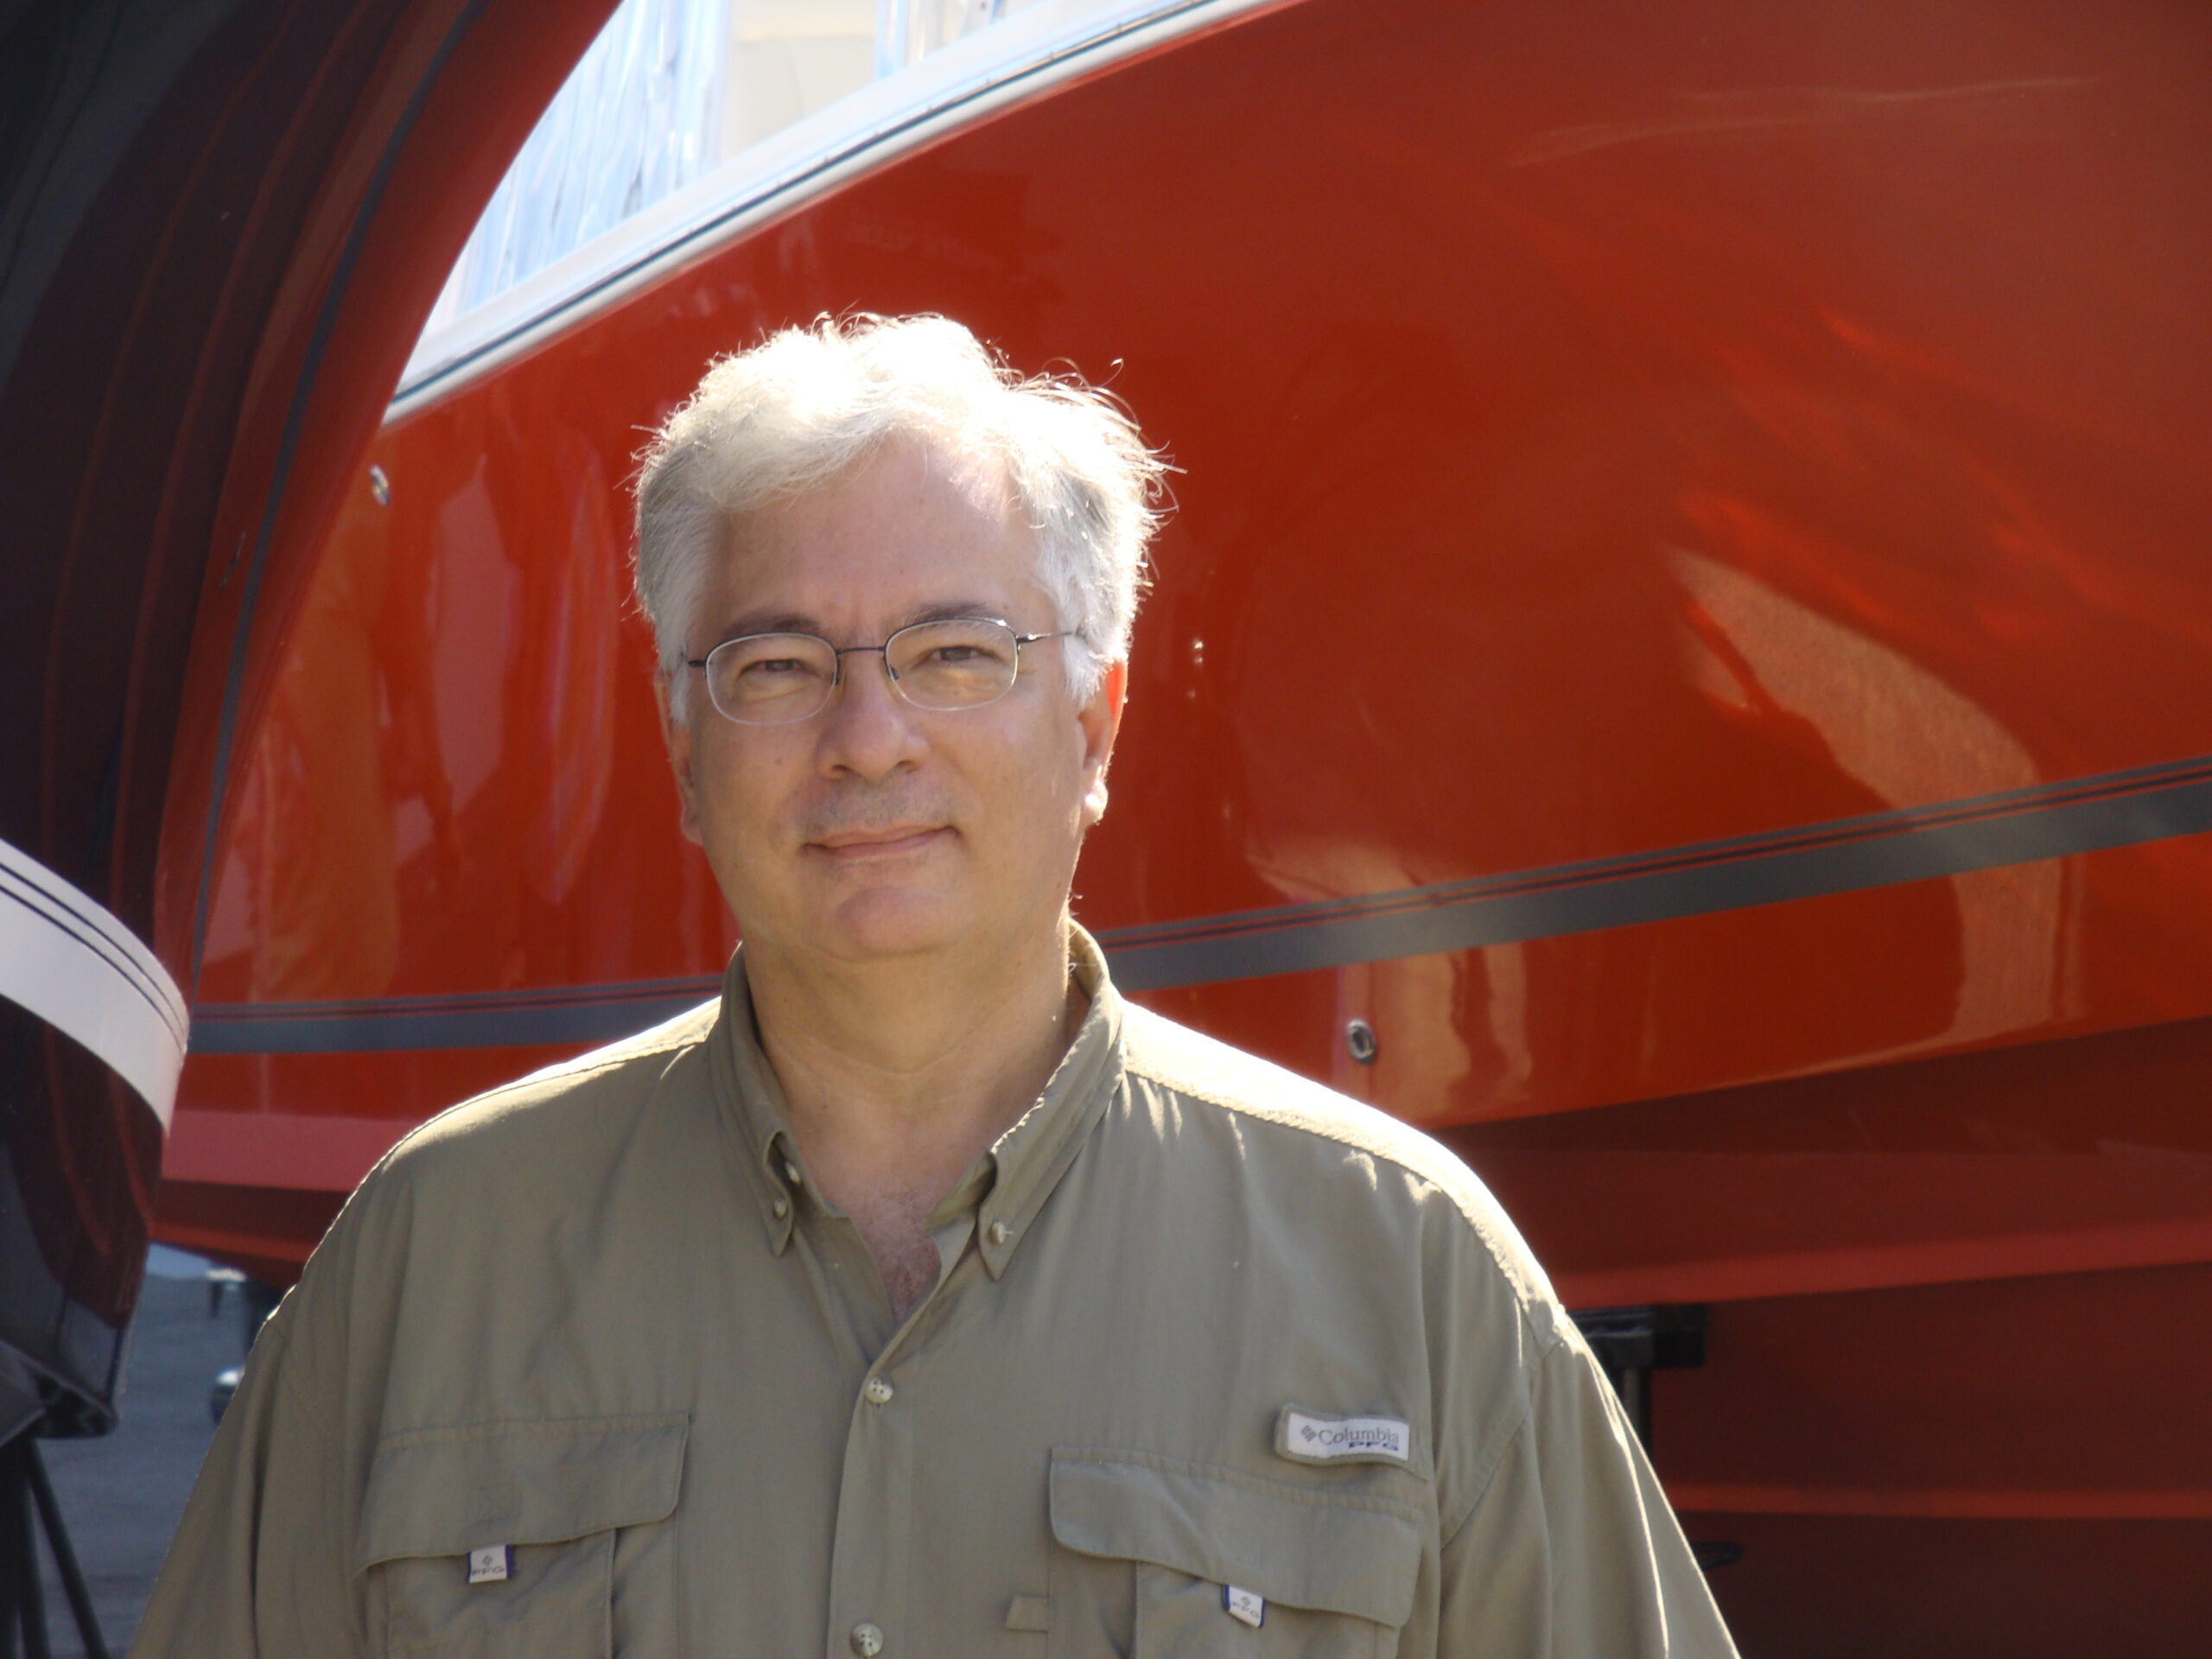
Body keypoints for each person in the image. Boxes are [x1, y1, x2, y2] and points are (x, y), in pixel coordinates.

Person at [134, 315, 1736, 1657]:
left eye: (957, 654)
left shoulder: (1411, 1273)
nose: (869, 737)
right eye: (777, 668)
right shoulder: (430, 1265)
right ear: (684, 751)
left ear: (1095, 726)